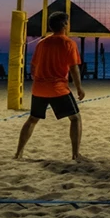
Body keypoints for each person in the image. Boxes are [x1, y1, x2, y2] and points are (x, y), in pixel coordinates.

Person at [15, 12, 85, 160]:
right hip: (58, 89)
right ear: (65, 25)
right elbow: (74, 68)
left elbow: (33, 67)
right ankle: (75, 154)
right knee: (75, 118)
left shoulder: (42, 43)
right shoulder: (68, 43)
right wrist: (79, 87)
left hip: (39, 88)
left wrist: (39, 79)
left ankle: (18, 153)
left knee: (32, 119)